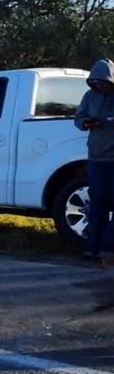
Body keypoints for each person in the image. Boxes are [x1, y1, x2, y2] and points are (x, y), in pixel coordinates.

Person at [75, 58, 114, 262]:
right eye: (96, 81)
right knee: (97, 204)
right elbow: (78, 117)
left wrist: (108, 122)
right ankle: (91, 248)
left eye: (103, 81)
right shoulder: (89, 96)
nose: (100, 85)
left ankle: (108, 249)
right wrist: (85, 122)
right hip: (96, 158)